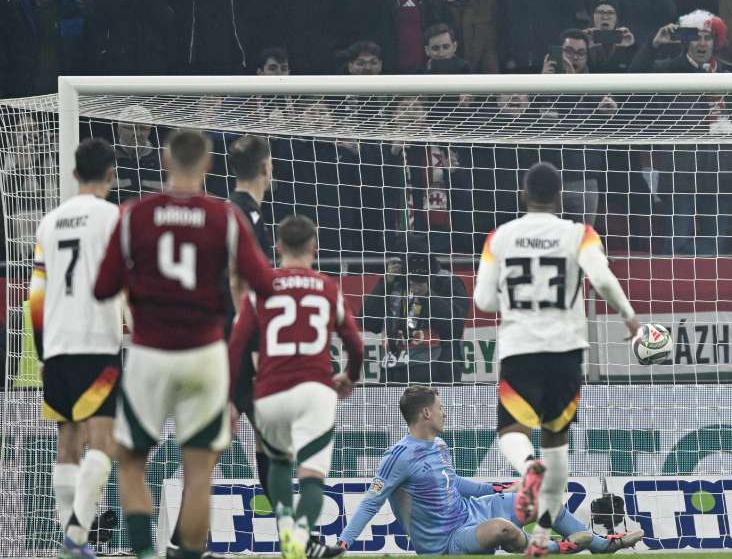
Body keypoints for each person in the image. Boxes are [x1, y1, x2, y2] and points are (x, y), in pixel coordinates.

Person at [93, 130, 275, 559]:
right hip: (205, 355)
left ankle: (143, 554)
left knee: (132, 460)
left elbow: (103, 288)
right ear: (209, 166)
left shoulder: (135, 214)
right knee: (198, 471)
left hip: (150, 353)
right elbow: (266, 283)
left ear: (163, 161)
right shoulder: (225, 218)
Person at [472, 162, 640, 556]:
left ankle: (527, 468)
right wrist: (629, 316)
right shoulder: (578, 233)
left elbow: (482, 301)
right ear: (561, 196)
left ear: (522, 196)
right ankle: (544, 536)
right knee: (556, 444)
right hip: (565, 353)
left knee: (512, 433)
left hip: (519, 349)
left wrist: (510, 299)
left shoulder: (500, 237)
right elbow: (601, 278)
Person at [326, 386, 642, 555]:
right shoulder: (398, 456)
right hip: (449, 542)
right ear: (426, 412)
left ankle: (604, 546)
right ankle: (561, 549)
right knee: (502, 529)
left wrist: (496, 489)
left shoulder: (439, 446)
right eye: (439, 407)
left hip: (472, 510)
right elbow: (371, 501)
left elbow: (455, 484)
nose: (444, 413)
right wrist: (343, 543)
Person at [228, 215, 364, 559]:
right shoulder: (328, 287)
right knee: (312, 477)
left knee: (277, 462)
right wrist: (350, 374)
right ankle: (301, 535)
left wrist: (230, 397)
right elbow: (355, 343)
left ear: (278, 248)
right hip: (315, 390)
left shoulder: (261, 287)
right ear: (314, 248)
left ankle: (286, 527)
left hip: (270, 392)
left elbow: (237, 345)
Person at [31, 139, 123, 558]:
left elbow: (36, 293)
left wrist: (42, 352)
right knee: (102, 444)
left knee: (67, 442)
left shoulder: (48, 223)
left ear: (73, 175)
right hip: (96, 343)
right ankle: (77, 532)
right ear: (111, 174)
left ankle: (70, 542)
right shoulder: (113, 218)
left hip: (56, 346)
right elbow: (128, 282)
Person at [362, 240, 470, 384]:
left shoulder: (447, 281)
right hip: (395, 369)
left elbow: (455, 326)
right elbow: (369, 322)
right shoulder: (393, 282)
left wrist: (427, 293)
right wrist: (385, 283)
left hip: (436, 368)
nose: (411, 267)